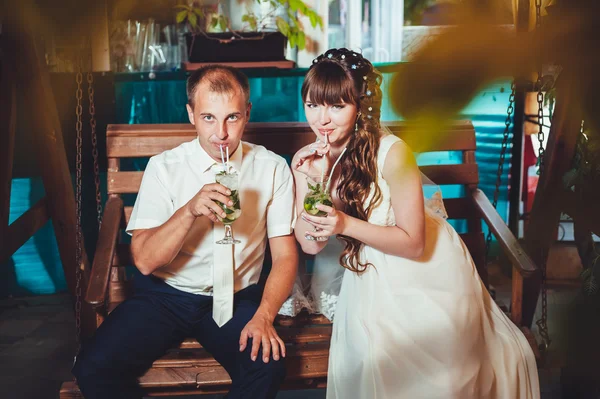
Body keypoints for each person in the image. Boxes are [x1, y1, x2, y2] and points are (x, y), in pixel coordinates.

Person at [291, 48, 540, 399]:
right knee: (371, 356)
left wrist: (343, 223)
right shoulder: (309, 159)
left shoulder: (394, 153)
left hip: (423, 267)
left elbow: (414, 243)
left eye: (336, 105)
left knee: (438, 370)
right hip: (364, 269)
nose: (323, 120)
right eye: (313, 105)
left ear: (360, 104)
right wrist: (309, 182)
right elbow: (311, 245)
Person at [72, 65, 298, 399]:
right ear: (191, 114)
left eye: (232, 118)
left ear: (247, 114)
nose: (221, 133)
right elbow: (145, 262)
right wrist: (190, 210)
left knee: (267, 366)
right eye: (208, 118)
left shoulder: (272, 167)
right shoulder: (164, 168)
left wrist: (265, 316)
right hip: (166, 295)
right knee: (92, 368)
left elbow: (284, 255)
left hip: (236, 298)